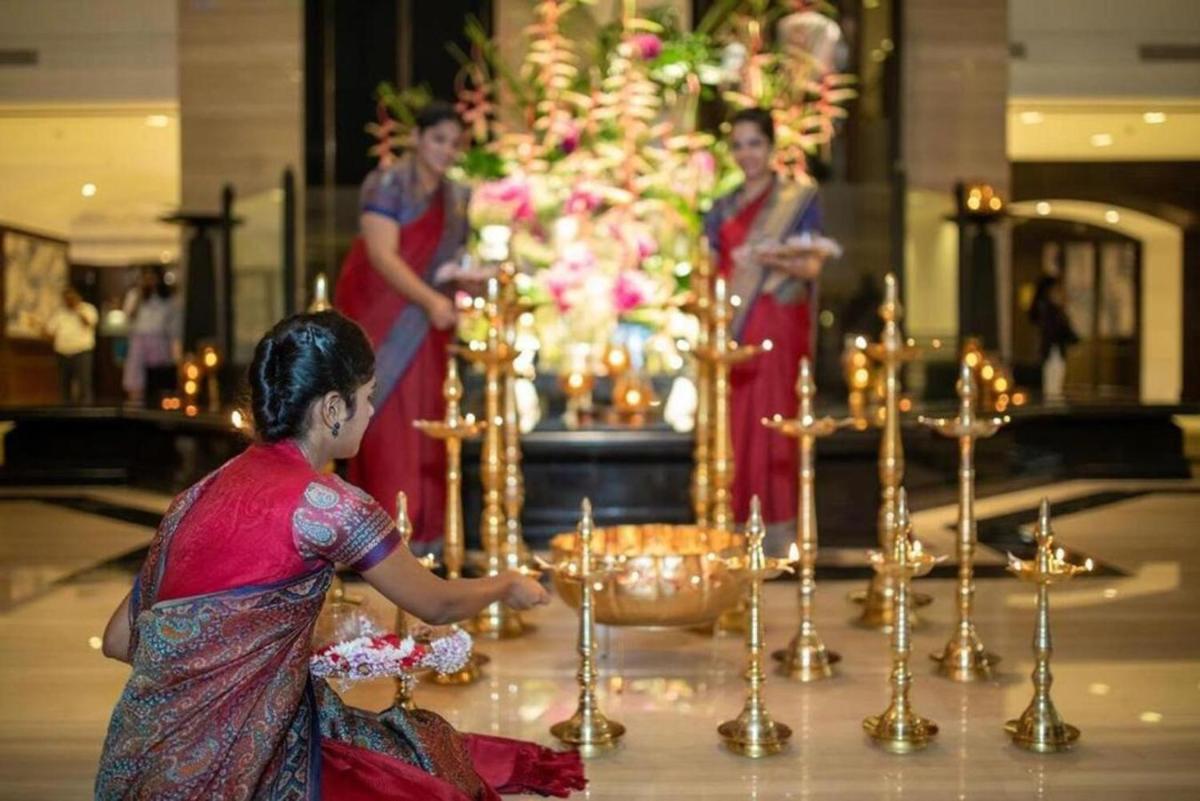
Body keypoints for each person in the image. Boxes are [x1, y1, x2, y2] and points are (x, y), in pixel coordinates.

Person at [95, 311, 585, 800]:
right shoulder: (326, 505)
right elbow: (436, 604)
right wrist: (507, 584)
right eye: (368, 398)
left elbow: (120, 639)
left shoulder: (195, 496)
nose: (372, 412)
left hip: (135, 769)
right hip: (234, 774)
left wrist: (250, 664)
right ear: (333, 408)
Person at [336, 101, 469, 554]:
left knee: (428, 424)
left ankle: (429, 543)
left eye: (454, 143)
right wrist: (432, 299)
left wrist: (470, 279)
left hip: (430, 326)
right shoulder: (388, 183)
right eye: (438, 139)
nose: (446, 150)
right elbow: (381, 255)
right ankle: (381, 547)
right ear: (416, 138)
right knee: (385, 425)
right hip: (383, 315)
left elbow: (446, 263)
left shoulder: (454, 196)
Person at [704, 108, 831, 541]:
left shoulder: (799, 201)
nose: (747, 153)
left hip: (778, 321)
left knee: (777, 422)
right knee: (734, 424)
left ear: (771, 146)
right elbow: (709, 268)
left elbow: (813, 265)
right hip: (733, 326)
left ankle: (781, 535)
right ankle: (732, 530)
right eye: (738, 145)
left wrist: (771, 257)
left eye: (754, 143)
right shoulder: (721, 208)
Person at [122, 265, 181, 406]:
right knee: (136, 380)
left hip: (159, 341)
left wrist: (176, 351)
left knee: (159, 380)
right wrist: (140, 295)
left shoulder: (168, 299)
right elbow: (128, 317)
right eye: (146, 277)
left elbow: (173, 327)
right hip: (139, 340)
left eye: (152, 277)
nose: (149, 280)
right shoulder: (135, 295)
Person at [43, 286, 98, 404]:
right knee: (64, 387)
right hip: (62, 354)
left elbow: (89, 323)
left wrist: (77, 309)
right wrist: (39, 328)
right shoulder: (60, 312)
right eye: (66, 298)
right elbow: (50, 333)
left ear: (78, 297)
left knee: (84, 386)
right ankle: (66, 414)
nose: (69, 300)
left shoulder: (88, 309)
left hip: (81, 353)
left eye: (71, 297)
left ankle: (86, 414)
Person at [1030, 272, 1078, 402]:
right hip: (1052, 352)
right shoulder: (1050, 311)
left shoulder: (1049, 310)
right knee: (1053, 388)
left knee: (1054, 386)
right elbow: (1062, 332)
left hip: (1052, 352)